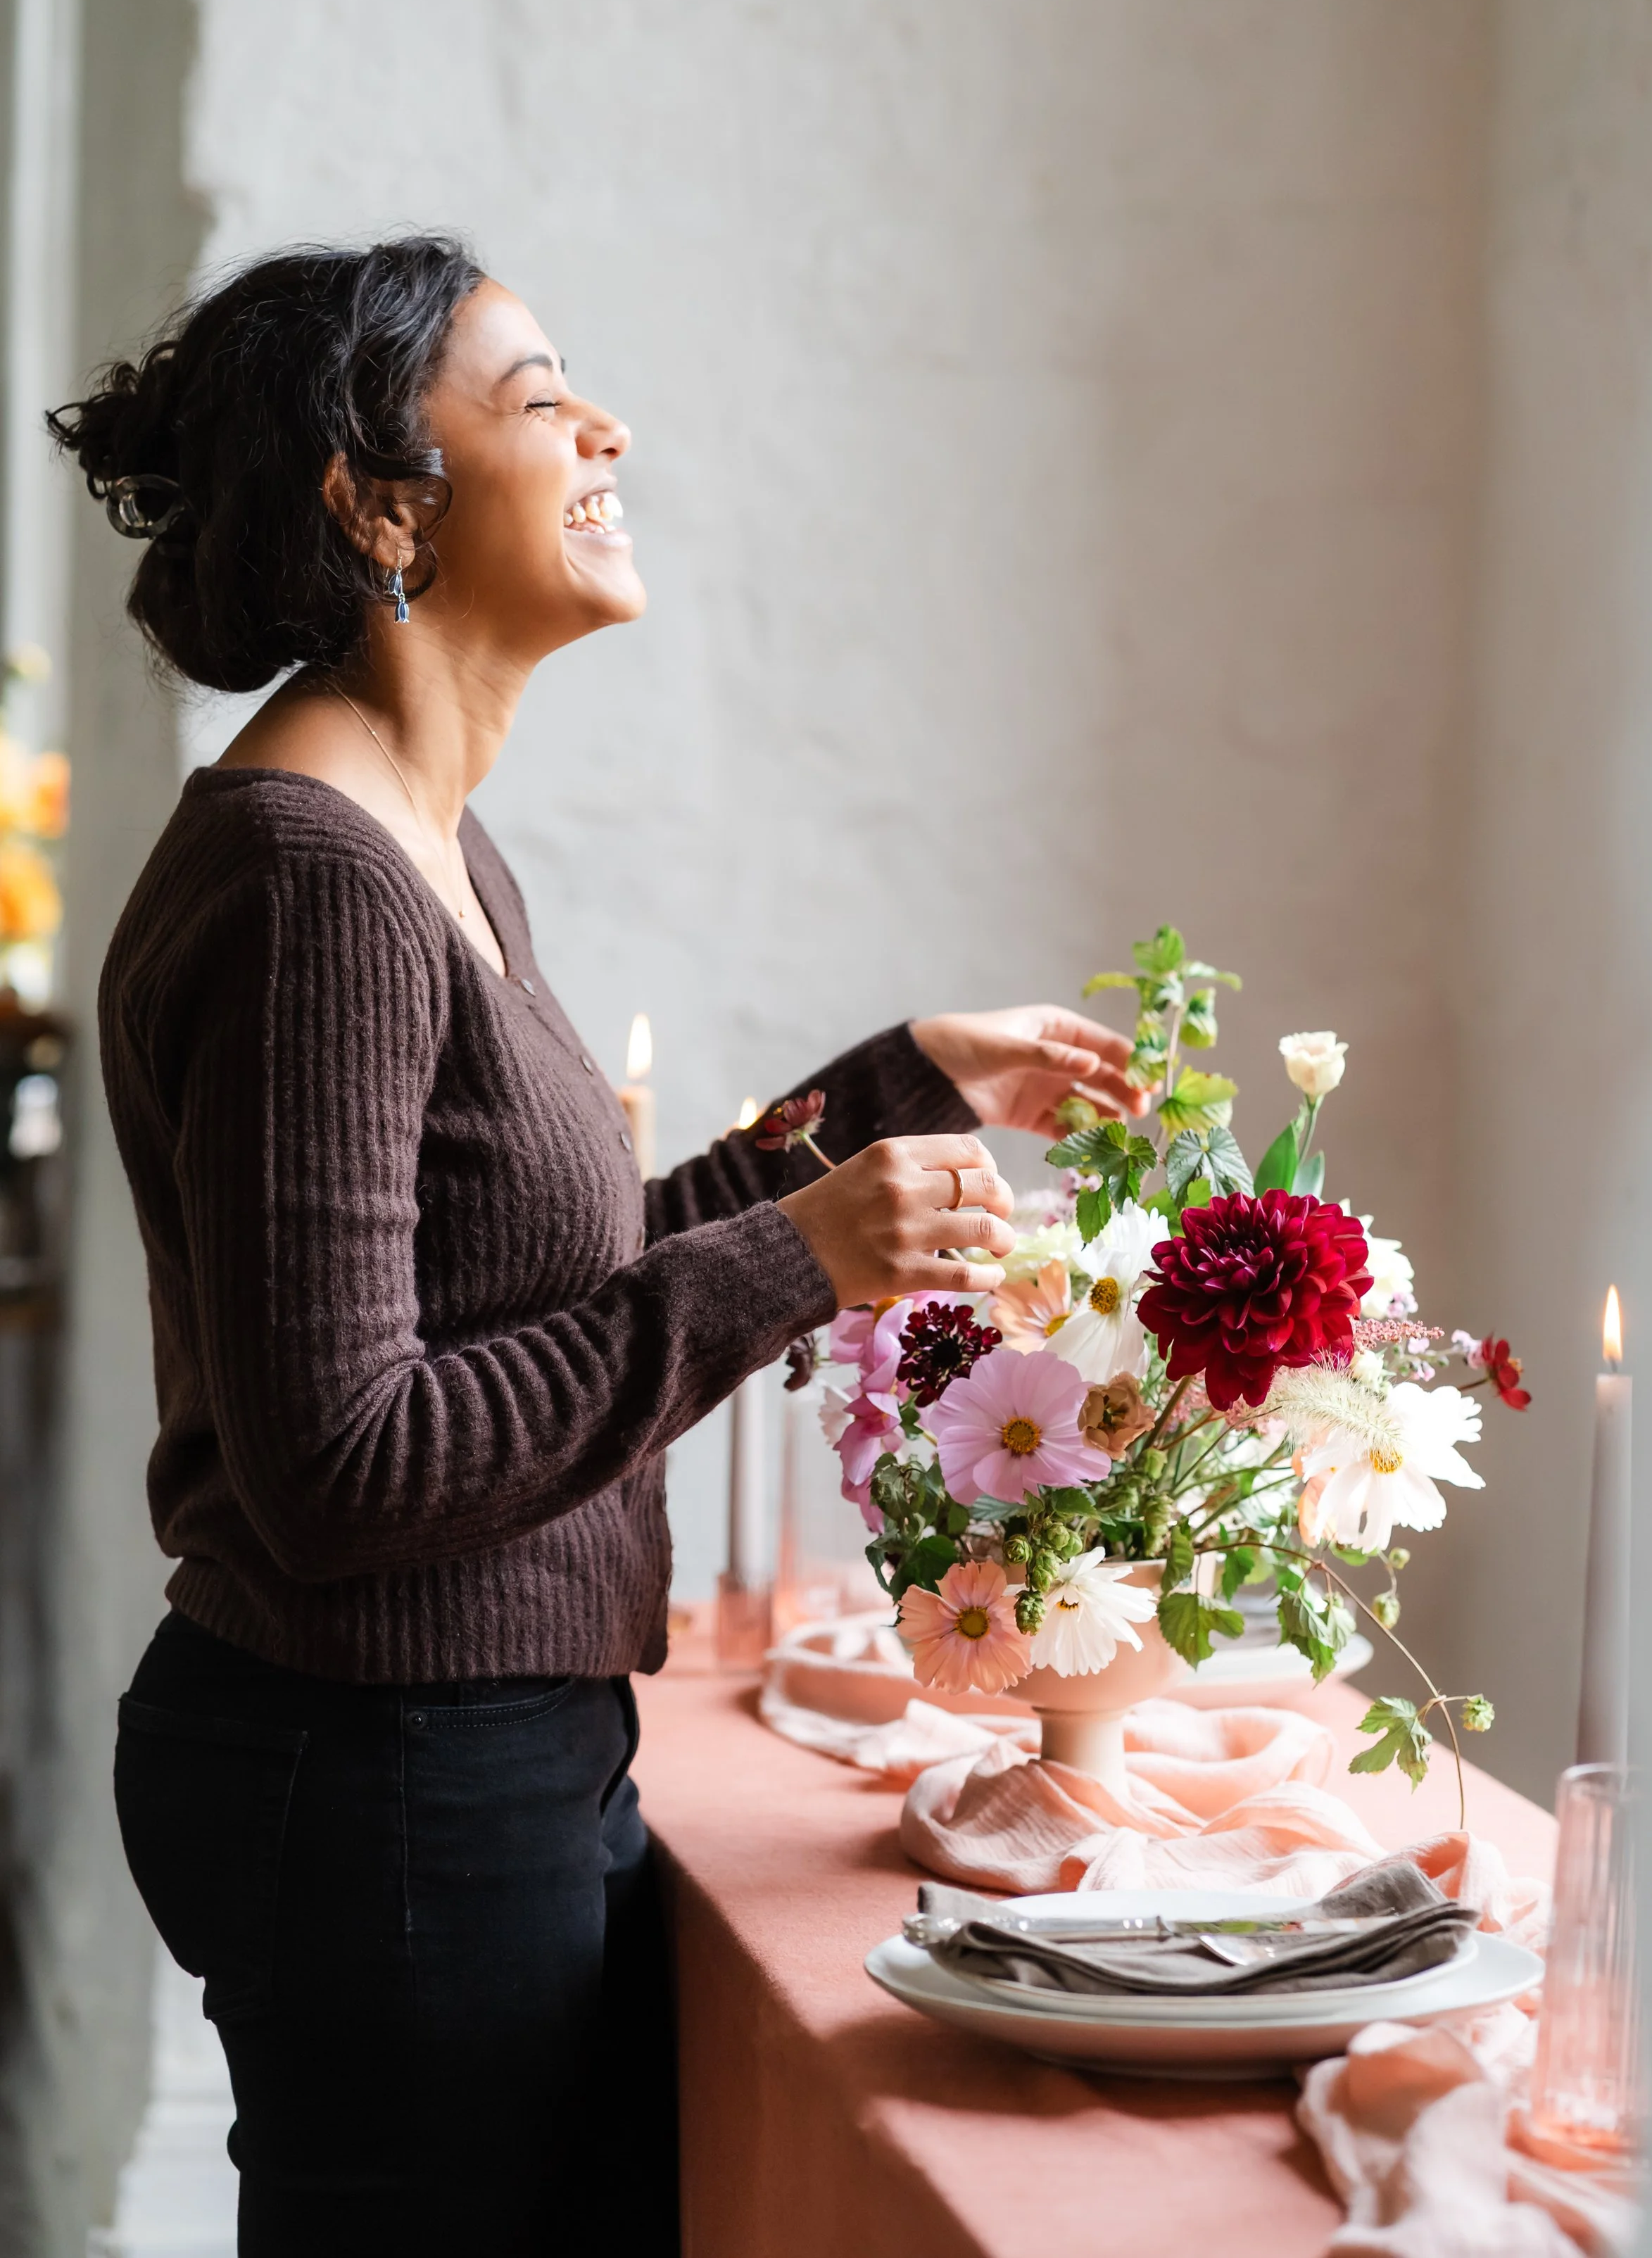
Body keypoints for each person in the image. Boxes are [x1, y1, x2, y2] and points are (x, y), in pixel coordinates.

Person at [49, 236, 1145, 2257]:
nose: (605, 424)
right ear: (378, 503)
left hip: (462, 1754)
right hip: (384, 1772)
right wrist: (796, 1258)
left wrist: (884, 1092)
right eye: (539, 393)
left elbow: (534, 1289)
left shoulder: (427, 844)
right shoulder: (318, 884)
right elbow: (348, 1458)